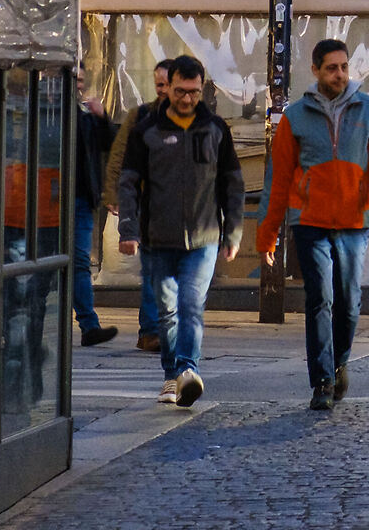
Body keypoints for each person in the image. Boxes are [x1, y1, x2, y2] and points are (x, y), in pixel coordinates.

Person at [255, 38, 369, 411]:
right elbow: (278, 179)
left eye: (344, 67)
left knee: (349, 301)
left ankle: (339, 362)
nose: (340, 74)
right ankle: (321, 381)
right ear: (316, 71)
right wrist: (267, 235)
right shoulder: (296, 116)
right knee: (320, 297)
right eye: (332, 68)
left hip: (353, 220)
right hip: (309, 220)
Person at [117, 55, 243, 406]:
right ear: (167, 88)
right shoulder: (146, 131)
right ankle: (171, 375)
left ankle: (188, 370)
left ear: (202, 89)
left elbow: (232, 183)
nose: (187, 99)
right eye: (180, 91)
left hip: (203, 239)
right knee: (168, 312)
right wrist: (128, 230)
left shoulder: (216, 130)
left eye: (194, 92)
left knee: (190, 305)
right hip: (157, 239)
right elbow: (128, 184)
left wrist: (233, 232)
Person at [104, 61, 173, 352]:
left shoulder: (196, 119)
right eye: (159, 85)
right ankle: (150, 331)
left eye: (167, 84)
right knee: (152, 268)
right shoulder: (141, 116)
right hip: (148, 202)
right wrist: (114, 194)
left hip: (179, 206)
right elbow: (120, 154)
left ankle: (169, 328)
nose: (163, 90)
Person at [71, 67, 119, 348]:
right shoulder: (45, 109)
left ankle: (89, 325)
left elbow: (108, 144)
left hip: (80, 197)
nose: (78, 85)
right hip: (47, 200)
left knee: (79, 261)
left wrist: (102, 117)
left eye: (81, 80)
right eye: (73, 79)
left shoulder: (85, 115)